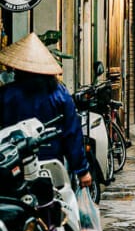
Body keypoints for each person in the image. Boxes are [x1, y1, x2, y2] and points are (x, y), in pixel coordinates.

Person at [0, 33, 92, 189]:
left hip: (14, 164)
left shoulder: (6, 95)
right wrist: (82, 170)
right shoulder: (59, 95)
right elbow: (72, 133)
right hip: (52, 165)